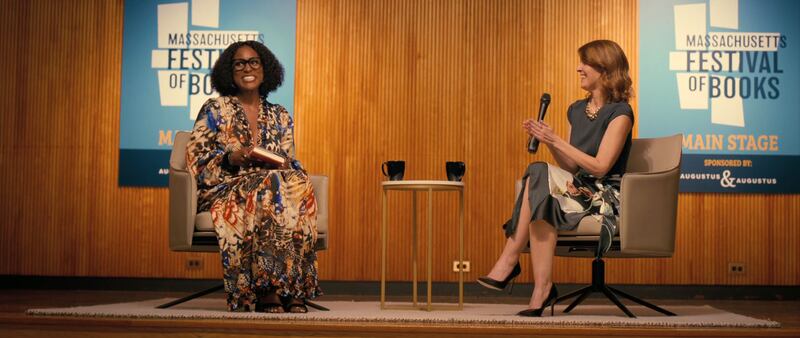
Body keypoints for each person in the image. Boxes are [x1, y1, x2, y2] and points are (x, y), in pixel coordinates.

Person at [477, 40, 634, 317]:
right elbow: (572, 167)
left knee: (539, 187)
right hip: (578, 186)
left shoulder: (620, 113)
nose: (579, 68)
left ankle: (514, 264)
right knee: (538, 176)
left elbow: (600, 167)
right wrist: (548, 142)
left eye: (585, 63)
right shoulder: (576, 110)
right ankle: (540, 287)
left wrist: (556, 139)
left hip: (604, 195)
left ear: (605, 68)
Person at [186, 40, 321, 313]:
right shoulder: (215, 110)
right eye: (239, 63)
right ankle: (268, 289)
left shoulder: (280, 115)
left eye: (253, 62)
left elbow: (290, 159)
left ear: (265, 68)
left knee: (296, 181)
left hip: (272, 187)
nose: (247, 68)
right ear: (229, 71)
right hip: (226, 188)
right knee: (272, 185)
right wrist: (229, 158)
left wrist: (284, 166)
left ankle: (292, 286)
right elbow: (196, 162)